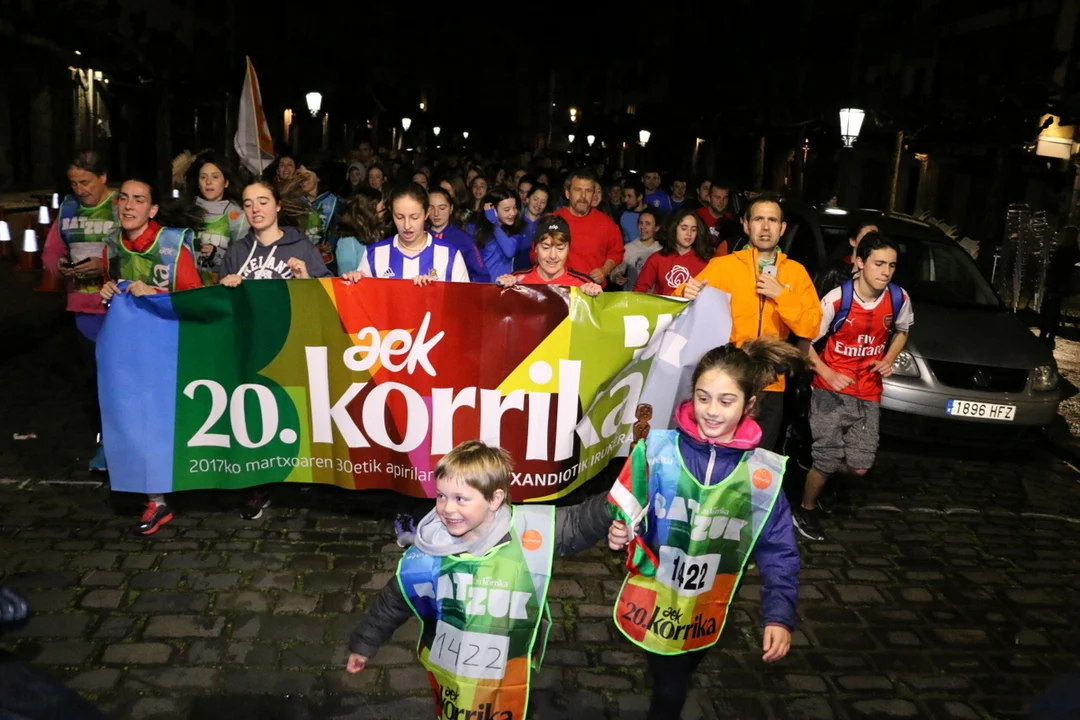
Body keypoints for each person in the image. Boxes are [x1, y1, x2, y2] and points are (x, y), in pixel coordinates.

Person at [345, 440, 615, 720]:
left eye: (460, 498)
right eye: (441, 496)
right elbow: (394, 600)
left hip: (507, 665)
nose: (447, 508)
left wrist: (624, 498)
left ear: (494, 499)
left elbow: (581, 521)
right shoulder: (428, 550)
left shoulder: (530, 532)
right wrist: (364, 644)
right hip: (451, 670)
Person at [607, 339, 801, 720]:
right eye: (703, 397)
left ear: (748, 405)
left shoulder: (760, 476)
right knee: (671, 689)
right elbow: (632, 512)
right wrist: (623, 532)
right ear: (691, 395)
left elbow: (778, 548)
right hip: (655, 596)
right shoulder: (658, 451)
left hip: (709, 606)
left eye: (726, 401)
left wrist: (779, 614)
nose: (711, 411)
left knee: (685, 667)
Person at [219, 180, 333, 520]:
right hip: (252, 346)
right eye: (248, 203)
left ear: (278, 205)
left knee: (295, 409)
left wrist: (304, 277)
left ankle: (304, 473)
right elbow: (221, 305)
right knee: (256, 414)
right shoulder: (237, 252)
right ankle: (260, 483)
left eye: (263, 201)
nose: (256, 209)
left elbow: (326, 296)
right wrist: (226, 288)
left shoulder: (301, 246)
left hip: (292, 343)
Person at [675, 195, 822, 451]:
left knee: (758, 458)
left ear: (782, 228)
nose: (765, 227)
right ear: (746, 225)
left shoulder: (796, 272)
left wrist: (781, 295)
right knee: (719, 452)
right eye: (758, 219)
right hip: (728, 377)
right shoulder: (723, 266)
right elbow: (680, 304)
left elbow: (811, 327)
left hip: (771, 381)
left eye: (772, 220)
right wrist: (683, 292)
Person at [99, 178, 203, 536]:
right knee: (134, 419)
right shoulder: (112, 244)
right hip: (129, 350)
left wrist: (156, 292)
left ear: (153, 209)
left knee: (166, 422)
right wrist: (108, 291)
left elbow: (194, 299)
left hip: (168, 348)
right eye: (123, 198)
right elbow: (113, 292)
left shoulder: (173, 245)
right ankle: (155, 499)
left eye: (139, 200)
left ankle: (184, 484)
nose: (128, 206)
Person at [793, 233, 912, 541]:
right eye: (879, 264)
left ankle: (818, 472)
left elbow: (902, 331)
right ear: (860, 262)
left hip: (868, 391)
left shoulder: (899, 298)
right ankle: (806, 509)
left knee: (860, 466)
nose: (886, 272)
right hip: (829, 390)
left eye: (892, 265)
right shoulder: (837, 299)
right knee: (827, 457)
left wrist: (888, 358)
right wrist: (827, 373)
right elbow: (804, 344)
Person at [42, 150, 120, 472]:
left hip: (120, 309)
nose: (80, 190)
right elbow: (52, 250)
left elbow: (139, 251)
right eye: (74, 183)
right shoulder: (69, 208)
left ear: (103, 177)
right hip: (83, 309)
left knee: (121, 380)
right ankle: (106, 444)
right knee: (94, 381)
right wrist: (59, 265)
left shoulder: (122, 205)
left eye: (86, 182)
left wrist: (106, 266)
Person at [356, 183, 470, 283]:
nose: (407, 226)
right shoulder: (374, 254)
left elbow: (463, 299)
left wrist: (434, 291)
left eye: (414, 217)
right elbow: (361, 299)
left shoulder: (450, 256)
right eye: (399, 217)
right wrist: (353, 283)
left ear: (427, 213)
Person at [495, 215, 602, 295]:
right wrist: (499, 290)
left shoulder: (583, 284)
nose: (553, 256)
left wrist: (597, 298)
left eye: (560, 248)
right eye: (546, 247)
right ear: (535, 247)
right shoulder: (517, 280)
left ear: (568, 249)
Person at [185, 152, 248, 286]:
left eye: (215, 177)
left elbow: (241, 259)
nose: (208, 182)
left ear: (226, 182)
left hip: (222, 287)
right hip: (189, 287)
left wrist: (216, 254)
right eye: (203, 177)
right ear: (197, 183)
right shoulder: (186, 212)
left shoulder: (239, 216)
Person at [552, 168, 624, 284]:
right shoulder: (552, 220)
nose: (583, 196)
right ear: (567, 193)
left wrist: (604, 270)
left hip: (593, 289)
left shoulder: (606, 223)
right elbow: (536, 254)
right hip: (559, 288)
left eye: (588, 191)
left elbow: (616, 252)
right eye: (578, 190)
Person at [634, 208, 711, 296]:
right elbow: (638, 291)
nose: (689, 233)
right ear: (673, 229)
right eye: (684, 228)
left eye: (693, 230)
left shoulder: (704, 262)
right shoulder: (656, 259)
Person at [427, 186, 488, 282]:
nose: (436, 213)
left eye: (442, 208)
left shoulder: (463, 239)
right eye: (431, 208)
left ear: (451, 209)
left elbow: (482, 276)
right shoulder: (418, 235)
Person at [469, 187, 526, 281]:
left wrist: (494, 223)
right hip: (480, 284)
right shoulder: (475, 228)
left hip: (503, 284)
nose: (512, 213)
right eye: (507, 210)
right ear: (492, 209)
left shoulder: (516, 229)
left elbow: (509, 251)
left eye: (515, 208)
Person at [814, 220, 879, 296]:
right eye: (866, 237)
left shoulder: (881, 273)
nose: (871, 242)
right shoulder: (833, 273)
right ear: (852, 241)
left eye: (876, 238)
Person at [1041, 226, 1080, 345]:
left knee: (1051, 309)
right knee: (1050, 309)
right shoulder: (1065, 249)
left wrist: (1056, 285)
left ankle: (1048, 333)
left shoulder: (1068, 252)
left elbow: (1063, 271)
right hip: (1055, 284)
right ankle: (1047, 332)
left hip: (1057, 285)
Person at [334, 187, 384, 275]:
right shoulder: (348, 242)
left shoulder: (378, 233)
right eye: (382, 208)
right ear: (370, 211)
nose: (385, 211)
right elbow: (346, 276)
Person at [611, 207, 661, 290]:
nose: (643, 227)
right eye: (641, 223)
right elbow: (615, 270)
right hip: (632, 295)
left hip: (653, 297)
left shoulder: (662, 251)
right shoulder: (628, 248)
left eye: (648, 224)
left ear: (657, 228)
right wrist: (617, 276)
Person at [695, 182, 735, 255]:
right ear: (709, 198)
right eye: (717, 197)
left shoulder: (731, 220)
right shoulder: (697, 215)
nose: (721, 202)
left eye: (725, 198)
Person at [620, 179, 647, 243]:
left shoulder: (654, 214)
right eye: (625, 196)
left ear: (640, 197)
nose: (625, 200)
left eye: (629, 196)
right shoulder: (621, 214)